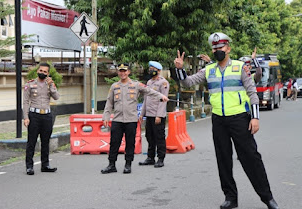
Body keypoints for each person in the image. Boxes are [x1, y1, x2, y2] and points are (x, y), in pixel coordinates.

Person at [174, 32, 279, 209]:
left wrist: (255, 117)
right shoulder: (208, 70)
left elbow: (252, 93)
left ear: (228, 48)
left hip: (240, 119)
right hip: (219, 121)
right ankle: (231, 197)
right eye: (214, 48)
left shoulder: (240, 67)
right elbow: (187, 82)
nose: (217, 50)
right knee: (223, 160)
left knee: (251, 158)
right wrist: (179, 68)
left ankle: (267, 197)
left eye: (221, 47)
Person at [101, 63, 169, 174]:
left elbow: (149, 91)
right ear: (118, 72)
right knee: (114, 143)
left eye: (125, 71)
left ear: (128, 72)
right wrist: (106, 116)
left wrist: (161, 96)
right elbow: (109, 102)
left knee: (130, 143)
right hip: (117, 119)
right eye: (120, 71)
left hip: (131, 120)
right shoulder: (114, 86)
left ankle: (128, 165)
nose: (122, 73)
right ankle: (111, 164)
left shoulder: (136, 85)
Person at [23, 63, 60, 175]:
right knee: (32, 142)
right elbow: (25, 102)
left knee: (45, 141)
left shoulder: (50, 84)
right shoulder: (30, 84)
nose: (42, 73)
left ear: (48, 73)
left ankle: (45, 165)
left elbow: (56, 97)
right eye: (41, 70)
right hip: (34, 116)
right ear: (37, 71)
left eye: (45, 72)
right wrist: (26, 117)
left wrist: (51, 86)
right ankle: (29, 166)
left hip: (47, 116)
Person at [139, 61, 169, 168]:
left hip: (157, 115)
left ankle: (161, 158)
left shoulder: (163, 83)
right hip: (149, 114)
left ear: (159, 70)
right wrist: (142, 114)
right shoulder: (149, 82)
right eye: (150, 68)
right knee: (149, 136)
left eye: (153, 68)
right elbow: (146, 99)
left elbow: (163, 100)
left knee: (159, 137)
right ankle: (150, 157)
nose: (151, 70)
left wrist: (159, 115)